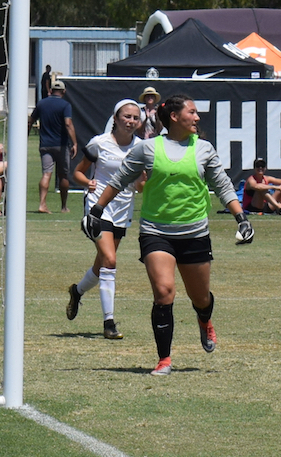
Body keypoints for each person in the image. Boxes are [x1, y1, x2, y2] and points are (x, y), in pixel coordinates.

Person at [83, 94, 254, 375]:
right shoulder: (148, 149)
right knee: (164, 292)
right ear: (174, 117)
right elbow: (120, 179)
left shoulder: (204, 149)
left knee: (200, 298)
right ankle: (164, 359)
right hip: (155, 232)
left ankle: (204, 320)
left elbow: (223, 186)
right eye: (192, 112)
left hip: (195, 233)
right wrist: (97, 210)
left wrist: (242, 219)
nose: (197, 117)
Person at [67, 99, 143, 339]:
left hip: (123, 210)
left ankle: (77, 291)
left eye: (135, 118)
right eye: (126, 116)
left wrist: (144, 182)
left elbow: (141, 185)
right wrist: (86, 182)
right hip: (98, 207)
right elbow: (78, 172)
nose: (131, 121)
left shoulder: (142, 147)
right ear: (115, 117)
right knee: (110, 260)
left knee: (102, 264)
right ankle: (109, 323)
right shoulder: (99, 143)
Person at [28, 79, 77, 213]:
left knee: (46, 174)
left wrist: (26, 136)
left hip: (45, 145)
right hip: (61, 145)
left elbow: (30, 121)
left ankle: (42, 204)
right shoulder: (65, 105)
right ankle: (63, 206)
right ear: (63, 91)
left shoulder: (41, 103)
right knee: (63, 175)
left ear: (50, 91)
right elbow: (68, 124)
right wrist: (75, 142)